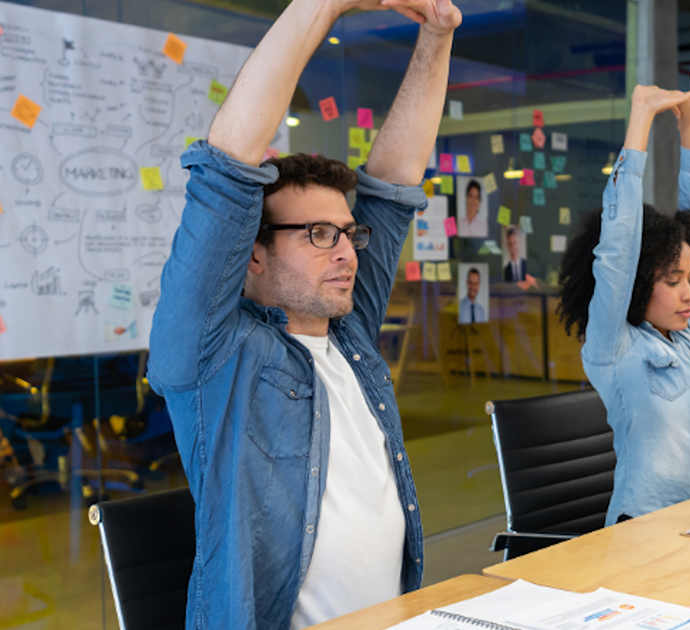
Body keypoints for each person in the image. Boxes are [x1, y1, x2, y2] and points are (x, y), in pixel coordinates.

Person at [146, 1, 461, 627]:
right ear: (253, 255)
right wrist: (323, 4)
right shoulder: (214, 356)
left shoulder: (348, 335)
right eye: (318, 233)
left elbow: (395, 182)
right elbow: (228, 164)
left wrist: (438, 33)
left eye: (346, 233)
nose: (345, 250)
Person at [558, 69, 690, 526]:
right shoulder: (615, 347)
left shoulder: (686, 337)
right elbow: (618, 250)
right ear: (638, 283)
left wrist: (689, 126)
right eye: (673, 280)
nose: (689, 292)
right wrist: (640, 119)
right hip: (645, 536)